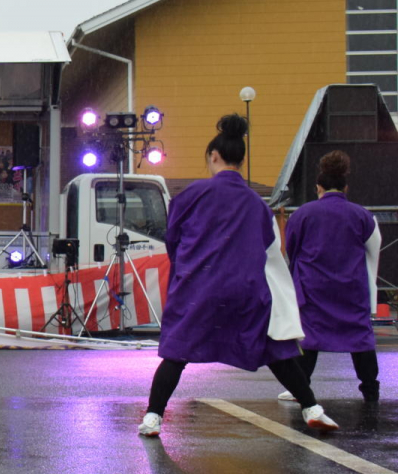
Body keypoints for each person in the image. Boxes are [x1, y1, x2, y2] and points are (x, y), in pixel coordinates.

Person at [140, 114, 337, 437]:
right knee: (276, 351)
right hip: (245, 289)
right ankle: (312, 407)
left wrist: (188, 273)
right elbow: (269, 250)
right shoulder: (257, 205)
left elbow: (173, 241)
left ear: (213, 157)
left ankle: (153, 417)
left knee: (176, 353)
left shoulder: (190, 196)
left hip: (199, 287)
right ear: (242, 161)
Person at [281, 151, 381, 402]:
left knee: (310, 339)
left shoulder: (303, 214)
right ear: (345, 187)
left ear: (318, 187)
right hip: (350, 289)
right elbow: (374, 251)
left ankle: (301, 388)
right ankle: (370, 387)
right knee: (359, 338)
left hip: (313, 288)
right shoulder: (361, 215)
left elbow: (292, 249)